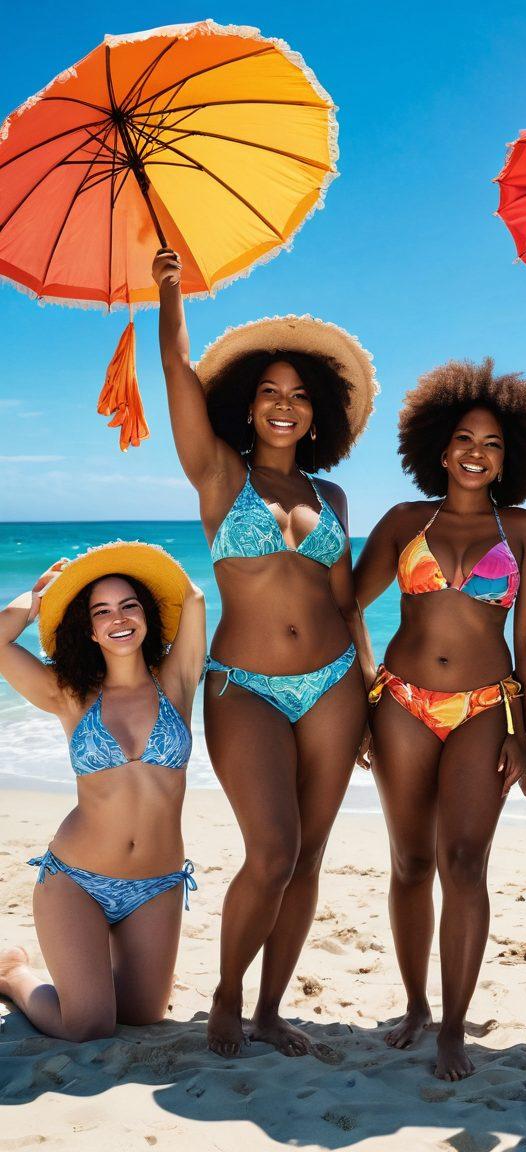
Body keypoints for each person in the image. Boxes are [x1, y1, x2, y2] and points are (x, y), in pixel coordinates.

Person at [153, 248, 377, 1058]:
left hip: (335, 684)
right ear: (248, 408)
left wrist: (373, 692)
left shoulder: (333, 497)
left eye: (299, 397)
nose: (284, 406)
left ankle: (272, 1007)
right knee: (272, 850)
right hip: (243, 686)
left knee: (309, 857)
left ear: (317, 416)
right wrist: (170, 289)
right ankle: (225, 994)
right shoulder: (219, 475)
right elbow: (177, 369)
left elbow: (346, 601)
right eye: (269, 394)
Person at [354, 358, 526, 1080]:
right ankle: (413, 1005)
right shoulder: (406, 521)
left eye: (493, 443)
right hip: (402, 702)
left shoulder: (525, 529)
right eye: (465, 439)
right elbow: (346, 601)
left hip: (482, 710)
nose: (477, 452)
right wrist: (361, 687)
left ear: (511, 458)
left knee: (465, 863)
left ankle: (453, 1028)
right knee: (410, 861)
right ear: (439, 448)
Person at [0, 542, 204, 1041]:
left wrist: (142, 564)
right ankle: (13, 975)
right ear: (89, 629)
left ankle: (99, 972)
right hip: (77, 880)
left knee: (142, 1018)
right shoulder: (70, 694)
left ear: (147, 616)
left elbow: (194, 599)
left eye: (129, 605)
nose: (118, 618)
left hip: (156, 886)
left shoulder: (175, 682)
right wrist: (34, 601)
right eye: (102, 611)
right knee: (89, 1024)